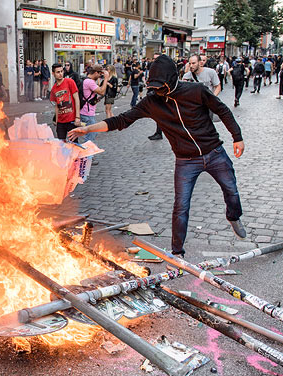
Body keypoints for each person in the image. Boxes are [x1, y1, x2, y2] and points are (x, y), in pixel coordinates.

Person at [66, 55, 246, 256]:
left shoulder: (196, 91)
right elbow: (121, 120)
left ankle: (233, 216)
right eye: (155, 87)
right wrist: (88, 128)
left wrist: (236, 137)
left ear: (171, 80)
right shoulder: (151, 102)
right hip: (186, 161)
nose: (158, 90)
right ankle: (177, 253)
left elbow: (222, 111)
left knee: (231, 190)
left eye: (161, 86)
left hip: (214, 152)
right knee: (181, 206)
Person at [49, 63, 81, 140]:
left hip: (71, 120)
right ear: (53, 73)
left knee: (74, 144)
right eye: (58, 72)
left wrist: (77, 117)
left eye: (61, 71)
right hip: (60, 122)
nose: (60, 74)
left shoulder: (70, 82)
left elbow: (77, 99)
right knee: (61, 144)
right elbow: (56, 106)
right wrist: (56, 121)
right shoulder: (53, 89)